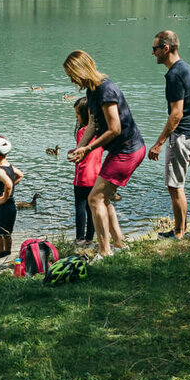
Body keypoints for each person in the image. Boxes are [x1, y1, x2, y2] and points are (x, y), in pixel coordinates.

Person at [64, 50, 145, 260]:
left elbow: (114, 129)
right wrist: (79, 148)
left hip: (128, 150)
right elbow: (93, 124)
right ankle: (118, 245)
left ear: (81, 70)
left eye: (72, 74)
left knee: (95, 198)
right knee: (103, 198)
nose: (71, 80)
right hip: (120, 150)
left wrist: (89, 149)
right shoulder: (92, 91)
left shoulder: (105, 90)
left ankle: (104, 251)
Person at [147, 30, 190, 239]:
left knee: (175, 187)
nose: (153, 53)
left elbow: (176, 114)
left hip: (181, 137)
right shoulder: (188, 69)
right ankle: (181, 229)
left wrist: (159, 143)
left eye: (155, 48)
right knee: (177, 186)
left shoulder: (174, 75)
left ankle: (179, 233)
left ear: (165, 49)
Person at [72, 97, 103, 245]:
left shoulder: (82, 132)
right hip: (96, 176)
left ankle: (79, 238)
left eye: (78, 113)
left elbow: (80, 154)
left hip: (82, 176)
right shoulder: (100, 132)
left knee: (80, 207)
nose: (76, 117)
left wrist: (72, 154)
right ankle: (90, 238)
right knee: (92, 209)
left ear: (85, 115)